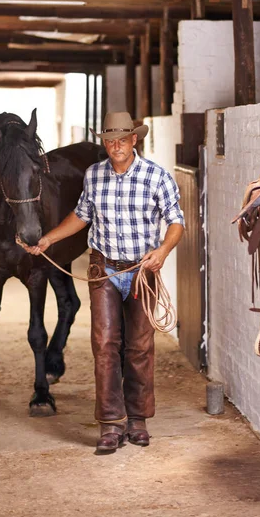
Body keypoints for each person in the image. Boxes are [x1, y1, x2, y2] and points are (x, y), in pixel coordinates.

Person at [25, 111, 185, 453]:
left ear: (134, 140)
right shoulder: (94, 175)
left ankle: (138, 420)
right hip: (104, 269)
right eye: (110, 141)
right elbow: (81, 215)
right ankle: (111, 424)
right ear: (105, 143)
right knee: (105, 343)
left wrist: (164, 250)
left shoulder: (156, 176)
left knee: (140, 345)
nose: (116, 147)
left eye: (122, 140)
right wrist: (48, 240)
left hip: (143, 269)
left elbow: (176, 222)